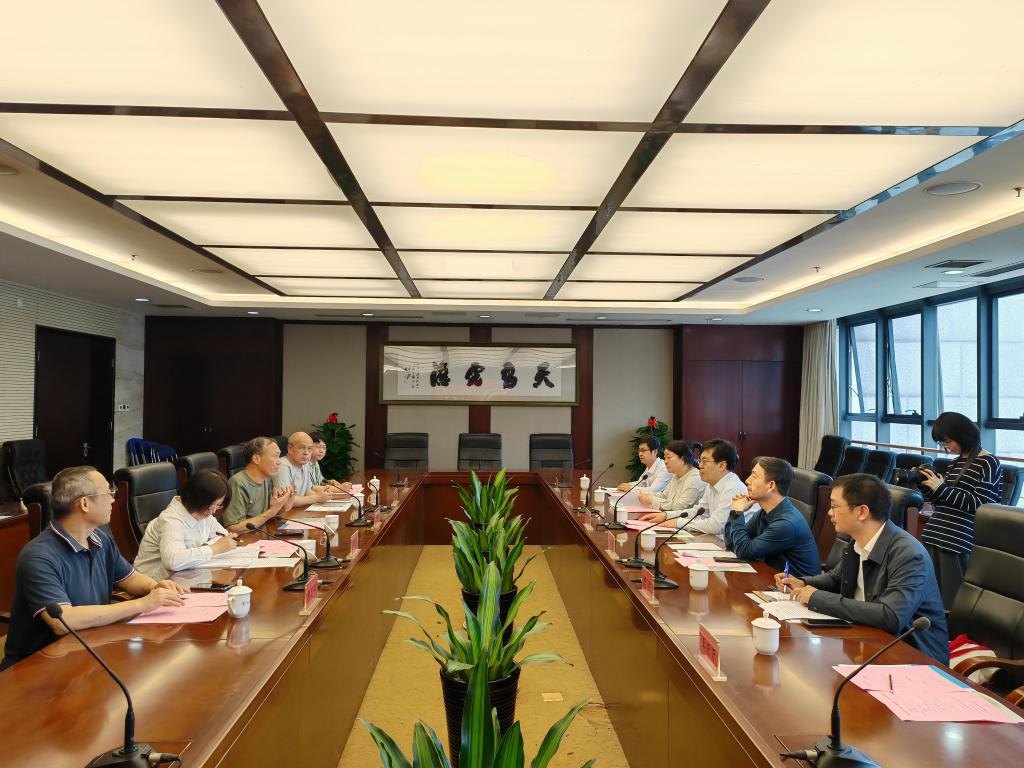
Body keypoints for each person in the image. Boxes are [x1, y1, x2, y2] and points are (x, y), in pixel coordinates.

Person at [0, 466, 187, 670]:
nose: (113, 499)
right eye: (108, 492)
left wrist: (155, 587)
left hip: (87, 653)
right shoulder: (39, 556)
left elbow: (130, 579)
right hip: (37, 666)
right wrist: (143, 604)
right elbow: (63, 621)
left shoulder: (99, 539)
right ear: (85, 504)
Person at [777, 473, 948, 664]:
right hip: (865, 640)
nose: (829, 513)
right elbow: (836, 578)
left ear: (862, 512)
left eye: (834, 506)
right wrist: (802, 583)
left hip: (912, 657)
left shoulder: (908, 554)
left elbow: (890, 616)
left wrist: (816, 598)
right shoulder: (858, 540)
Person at [919, 412, 1002, 608]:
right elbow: (942, 502)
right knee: (929, 599)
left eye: (948, 441)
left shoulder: (988, 462)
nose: (946, 446)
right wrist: (927, 487)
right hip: (934, 534)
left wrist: (941, 488)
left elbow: (981, 505)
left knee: (952, 602)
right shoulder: (954, 463)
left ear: (963, 435)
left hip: (956, 541)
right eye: (942, 442)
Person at [133, 469, 238, 580]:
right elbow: (173, 561)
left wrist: (214, 546)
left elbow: (222, 535)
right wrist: (213, 549)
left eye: (218, 505)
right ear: (198, 498)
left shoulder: (204, 513)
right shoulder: (171, 519)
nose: (214, 510)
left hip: (186, 576)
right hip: (155, 582)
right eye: (212, 504)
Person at [724, 456, 819, 577]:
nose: (747, 480)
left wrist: (738, 512)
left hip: (795, 586)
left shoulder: (786, 523)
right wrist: (734, 512)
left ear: (771, 485)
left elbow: (744, 552)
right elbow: (731, 543)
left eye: (754, 476)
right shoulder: (764, 512)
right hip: (771, 578)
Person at [639, 438, 754, 535]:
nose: (700, 465)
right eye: (700, 461)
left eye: (705, 461)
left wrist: (678, 522)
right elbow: (699, 512)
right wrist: (666, 515)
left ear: (722, 466)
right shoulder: (712, 485)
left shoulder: (733, 488)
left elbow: (717, 526)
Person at [222, 436, 297, 532]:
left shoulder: (267, 479)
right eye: (275, 456)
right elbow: (233, 528)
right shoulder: (238, 483)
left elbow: (266, 516)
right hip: (245, 538)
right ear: (256, 459)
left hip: (262, 534)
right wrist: (271, 511)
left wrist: (285, 506)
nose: (279, 462)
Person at [636, 440, 706, 514]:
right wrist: (647, 495)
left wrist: (652, 500)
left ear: (682, 459)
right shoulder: (676, 475)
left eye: (669, 457)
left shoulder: (695, 479)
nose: (665, 461)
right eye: (665, 458)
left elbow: (681, 506)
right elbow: (665, 495)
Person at [274, 431, 335, 507]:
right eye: (301, 448)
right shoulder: (282, 466)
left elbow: (307, 491)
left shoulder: (305, 464)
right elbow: (286, 500)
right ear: (290, 448)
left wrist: (324, 496)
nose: (306, 453)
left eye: (309, 448)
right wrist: (317, 498)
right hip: (283, 512)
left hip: (298, 509)